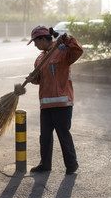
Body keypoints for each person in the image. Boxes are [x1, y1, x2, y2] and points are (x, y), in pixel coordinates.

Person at [26, 25, 84, 175]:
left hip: (62, 103)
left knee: (63, 134)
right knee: (44, 137)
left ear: (44, 39)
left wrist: (67, 38)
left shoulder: (62, 50)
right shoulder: (39, 58)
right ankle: (45, 164)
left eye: (36, 41)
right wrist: (33, 78)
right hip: (46, 104)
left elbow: (78, 50)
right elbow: (40, 80)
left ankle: (72, 165)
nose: (35, 44)